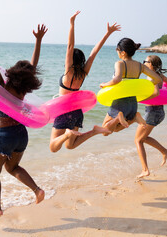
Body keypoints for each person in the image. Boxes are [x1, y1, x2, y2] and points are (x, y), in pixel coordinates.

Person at [0, 9, 46, 222]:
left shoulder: (1, 86)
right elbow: (33, 68)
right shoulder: (23, 91)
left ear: (11, 71)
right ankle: (37, 190)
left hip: (4, 135)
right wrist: (38, 42)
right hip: (21, 134)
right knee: (13, 167)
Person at [49, 11, 120, 153]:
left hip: (64, 110)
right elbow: (94, 52)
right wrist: (107, 34)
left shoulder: (68, 72)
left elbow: (70, 46)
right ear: (81, 61)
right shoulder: (83, 73)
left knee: (53, 147)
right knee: (70, 145)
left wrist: (72, 24)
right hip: (77, 111)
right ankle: (94, 131)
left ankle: (68, 134)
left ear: (71, 60)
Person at [100, 38, 162, 133]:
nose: (117, 52)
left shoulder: (120, 63)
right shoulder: (140, 66)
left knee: (104, 131)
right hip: (133, 102)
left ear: (123, 52)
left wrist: (105, 84)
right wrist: (142, 87)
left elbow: (117, 79)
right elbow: (158, 79)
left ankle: (119, 117)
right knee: (115, 129)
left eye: (118, 50)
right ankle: (135, 118)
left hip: (120, 101)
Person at [134, 55, 167, 178]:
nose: (144, 63)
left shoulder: (152, 77)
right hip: (159, 112)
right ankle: (165, 152)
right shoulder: (159, 76)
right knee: (143, 138)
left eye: (145, 61)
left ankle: (145, 170)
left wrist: (140, 98)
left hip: (152, 112)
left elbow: (156, 93)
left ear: (151, 64)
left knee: (138, 140)